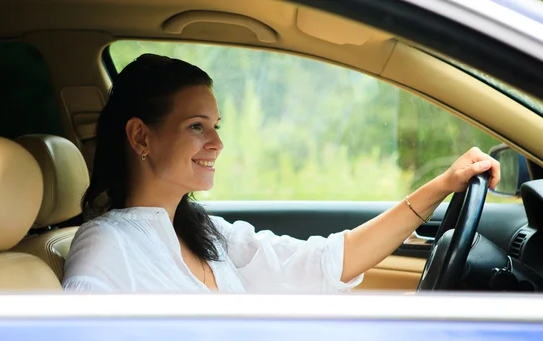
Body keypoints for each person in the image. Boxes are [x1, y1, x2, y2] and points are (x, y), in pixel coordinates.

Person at [62, 53, 500, 293]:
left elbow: (324, 262)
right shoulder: (106, 246)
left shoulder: (206, 234)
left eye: (216, 127)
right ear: (141, 137)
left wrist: (441, 186)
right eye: (196, 126)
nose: (216, 143)